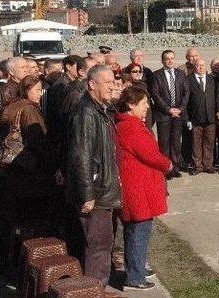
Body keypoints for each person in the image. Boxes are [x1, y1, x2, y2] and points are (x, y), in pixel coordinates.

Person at [65, 65, 120, 288]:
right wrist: (87, 194)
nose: (112, 86)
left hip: (99, 190)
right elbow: (81, 155)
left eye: (113, 81)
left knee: (99, 244)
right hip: (95, 195)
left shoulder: (98, 109)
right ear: (92, 84)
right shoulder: (86, 112)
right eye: (107, 82)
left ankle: (93, 288)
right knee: (98, 246)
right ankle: (95, 290)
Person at [116, 86, 172, 291]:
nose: (147, 107)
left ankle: (136, 269)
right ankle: (135, 276)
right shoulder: (131, 127)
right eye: (143, 103)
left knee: (137, 231)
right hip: (138, 187)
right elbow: (149, 154)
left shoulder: (128, 124)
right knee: (138, 232)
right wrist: (168, 164)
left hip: (139, 185)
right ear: (131, 105)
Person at [0, 75, 55, 224]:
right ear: (27, 90)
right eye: (37, 90)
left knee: (13, 216)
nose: (40, 93)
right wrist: (52, 165)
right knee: (31, 217)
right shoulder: (29, 110)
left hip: (11, 166)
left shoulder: (10, 106)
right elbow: (38, 141)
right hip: (28, 168)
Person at [150, 50, 189, 179]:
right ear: (162, 61)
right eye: (167, 59)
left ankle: (175, 168)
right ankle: (165, 169)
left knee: (176, 143)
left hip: (178, 115)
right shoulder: (156, 75)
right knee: (164, 144)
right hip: (164, 115)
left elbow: (186, 93)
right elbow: (155, 95)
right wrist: (168, 110)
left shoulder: (181, 74)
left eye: (172, 58)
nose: (170, 61)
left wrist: (180, 109)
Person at [187, 58, 219, 175]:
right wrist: (188, 118)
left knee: (209, 143)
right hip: (195, 118)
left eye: (203, 65)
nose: (201, 67)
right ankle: (198, 166)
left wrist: (218, 112)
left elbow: (217, 97)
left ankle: (208, 165)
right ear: (194, 67)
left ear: (206, 67)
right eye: (198, 65)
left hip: (210, 117)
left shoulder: (212, 79)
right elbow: (186, 100)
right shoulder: (189, 79)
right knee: (196, 144)